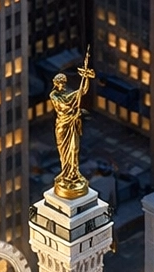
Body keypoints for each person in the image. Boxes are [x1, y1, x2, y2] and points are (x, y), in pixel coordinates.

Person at [50, 50, 95, 198]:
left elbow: (82, 92)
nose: (63, 85)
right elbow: (66, 102)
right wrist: (77, 91)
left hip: (72, 123)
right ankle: (66, 174)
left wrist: (86, 78)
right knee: (64, 151)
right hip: (63, 125)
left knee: (74, 148)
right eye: (60, 83)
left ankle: (73, 173)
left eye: (64, 82)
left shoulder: (68, 92)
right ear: (56, 84)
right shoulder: (55, 95)